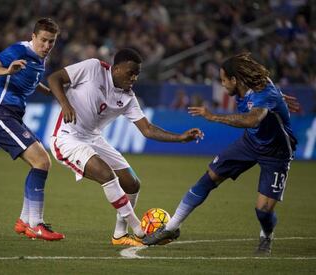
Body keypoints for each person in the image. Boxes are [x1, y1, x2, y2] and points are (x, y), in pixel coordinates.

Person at [143, 52, 298, 255]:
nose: (223, 85)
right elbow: (267, 100)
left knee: (263, 211)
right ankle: (171, 228)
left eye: (224, 80)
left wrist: (213, 116)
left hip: (276, 152)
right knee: (208, 178)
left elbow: (252, 120)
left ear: (235, 79)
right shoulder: (258, 90)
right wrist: (280, 98)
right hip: (250, 142)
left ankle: (266, 236)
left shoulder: (263, 93)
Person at [47, 48, 204, 246]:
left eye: (137, 74)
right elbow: (54, 78)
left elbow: (147, 129)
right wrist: (65, 104)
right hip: (67, 137)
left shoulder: (128, 98)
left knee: (132, 183)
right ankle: (139, 230)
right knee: (107, 175)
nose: (134, 78)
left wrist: (180, 137)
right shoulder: (93, 68)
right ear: (117, 68)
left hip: (93, 138)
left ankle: (120, 234)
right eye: (131, 72)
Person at [0, 18, 64, 241]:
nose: (47, 46)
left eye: (52, 42)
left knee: (40, 163)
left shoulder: (39, 59)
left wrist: (52, 93)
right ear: (33, 37)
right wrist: (7, 71)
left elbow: (31, 80)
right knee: (42, 161)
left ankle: (24, 221)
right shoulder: (20, 50)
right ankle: (36, 224)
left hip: (14, 116)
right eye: (44, 40)